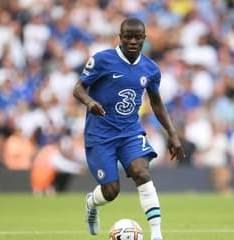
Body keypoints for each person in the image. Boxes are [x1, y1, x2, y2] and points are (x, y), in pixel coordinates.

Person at [72, 17, 185, 240]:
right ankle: (92, 203)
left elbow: (156, 102)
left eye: (137, 37)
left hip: (130, 132)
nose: (132, 41)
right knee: (111, 191)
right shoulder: (102, 60)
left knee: (141, 171)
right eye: (128, 37)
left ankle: (156, 234)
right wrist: (90, 102)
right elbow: (78, 89)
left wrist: (172, 133)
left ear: (144, 38)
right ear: (120, 37)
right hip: (100, 135)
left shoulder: (150, 68)